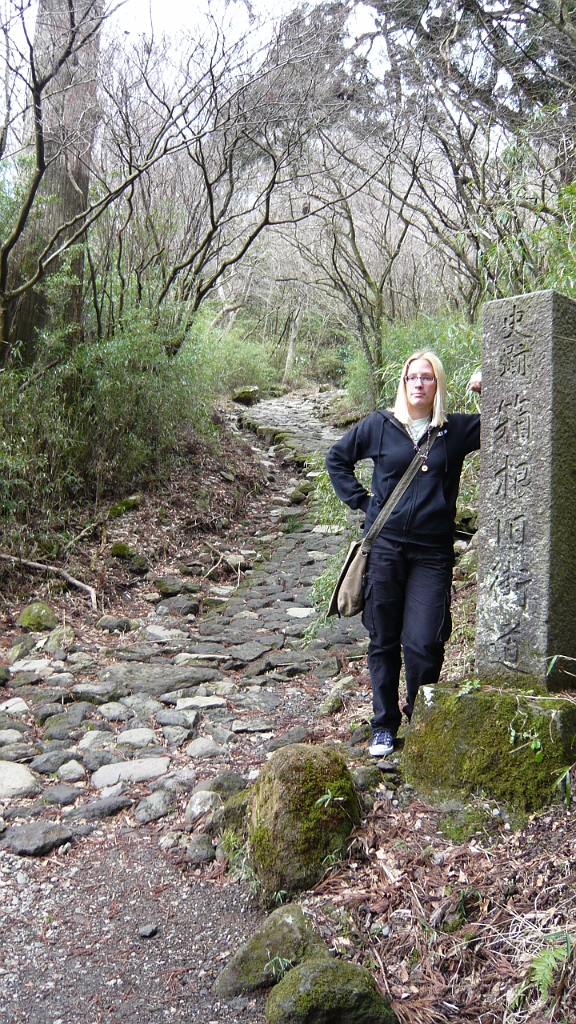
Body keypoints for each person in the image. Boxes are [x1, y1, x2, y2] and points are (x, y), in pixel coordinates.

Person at [326, 352, 481, 756]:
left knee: (424, 641)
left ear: (438, 384)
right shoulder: (380, 425)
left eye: (427, 378)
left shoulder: (456, 430)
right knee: (383, 638)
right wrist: (363, 503)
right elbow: (337, 459)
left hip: (432, 554)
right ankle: (384, 724)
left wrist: (489, 382)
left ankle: (419, 714)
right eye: (412, 377)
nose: (418, 384)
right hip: (386, 549)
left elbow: (511, 418)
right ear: (403, 383)